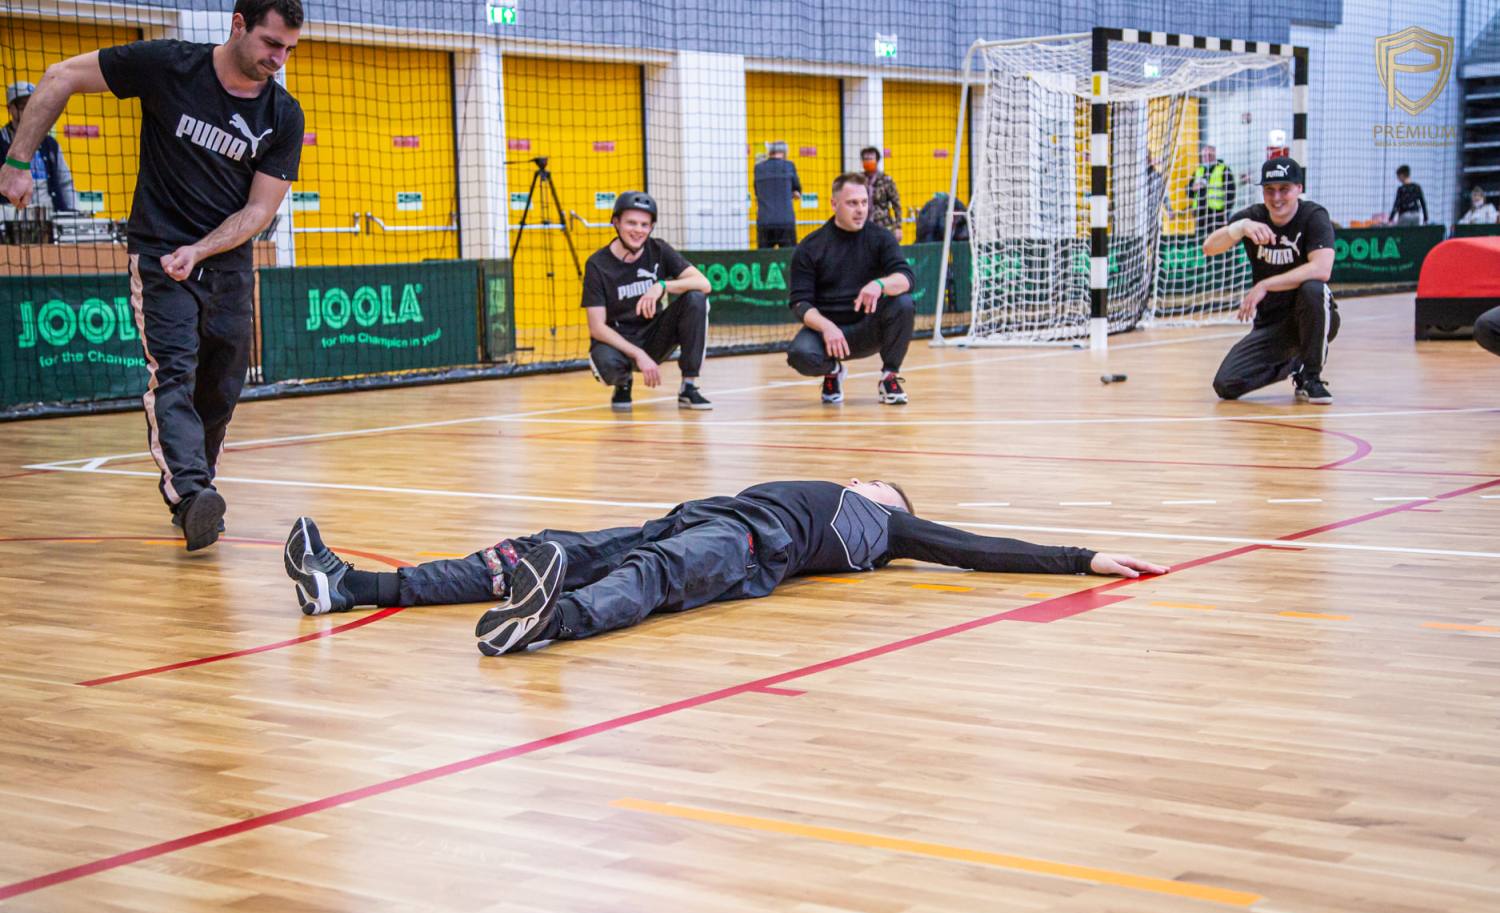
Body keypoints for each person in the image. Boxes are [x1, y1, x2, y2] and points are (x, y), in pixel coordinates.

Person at [0, 0, 305, 552]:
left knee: (221, 386)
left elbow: (259, 211)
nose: (278, 59)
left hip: (227, 264)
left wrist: (202, 249)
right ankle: (190, 495)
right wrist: (18, 161)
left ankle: (198, 486)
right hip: (160, 258)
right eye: (270, 43)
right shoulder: (170, 65)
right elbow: (61, 75)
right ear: (238, 25)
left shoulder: (283, 114)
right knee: (173, 372)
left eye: (288, 49)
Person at [282, 478, 1168, 656]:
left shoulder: (888, 527)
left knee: (655, 576)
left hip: (746, 548)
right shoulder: (828, 485)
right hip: (695, 513)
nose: (874, 477)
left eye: (884, 482)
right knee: (528, 550)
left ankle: (546, 621)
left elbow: (980, 550)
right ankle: (347, 585)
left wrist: (1081, 557)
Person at [1203, 156, 1338, 405]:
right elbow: (1209, 248)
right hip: (1272, 324)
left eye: (1284, 189)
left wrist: (1265, 285)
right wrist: (1240, 227)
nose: (1276, 198)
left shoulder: (1313, 216)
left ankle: (1312, 377)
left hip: (1313, 316)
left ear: (1299, 188)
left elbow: (1322, 269)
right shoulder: (1253, 217)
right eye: (1269, 190)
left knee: (1313, 289)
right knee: (1226, 384)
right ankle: (1296, 364)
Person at [786, 173, 915, 405]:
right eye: (852, 203)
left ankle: (889, 377)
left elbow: (906, 278)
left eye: (864, 202)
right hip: (828, 334)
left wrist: (879, 284)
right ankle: (833, 372)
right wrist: (826, 327)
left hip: (869, 329)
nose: (860, 210)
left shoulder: (881, 238)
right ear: (834, 204)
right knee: (799, 354)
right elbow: (800, 303)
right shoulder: (810, 247)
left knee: (904, 303)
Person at [582, 190, 714, 412]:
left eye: (644, 225)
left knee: (696, 298)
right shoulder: (597, 264)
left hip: (654, 335)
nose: (638, 230)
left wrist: (662, 286)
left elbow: (704, 283)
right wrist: (638, 355)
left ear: (651, 227)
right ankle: (623, 382)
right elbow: (596, 327)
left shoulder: (659, 249)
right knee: (606, 365)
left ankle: (688, 387)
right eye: (631, 223)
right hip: (618, 340)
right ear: (616, 222)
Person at [0, 81, 75, 212]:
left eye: (33, 105)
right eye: (23, 106)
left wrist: (73, 213)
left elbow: (65, 182)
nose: (29, 110)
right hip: (10, 216)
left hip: (50, 215)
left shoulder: (50, 144)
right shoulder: (1, 141)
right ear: (10, 108)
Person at [753, 140, 801, 249]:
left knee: (764, 257)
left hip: (764, 221)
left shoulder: (758, 168)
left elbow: (757, 192)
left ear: (769, 152)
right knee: (788, 255)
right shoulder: (789, 166)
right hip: (785, 220)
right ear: (784, 152)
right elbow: (797, 192)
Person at [1186, 144, 1236, 235]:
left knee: (1217, 239)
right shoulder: (1199, 171)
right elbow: (1188, 192)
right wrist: (1193, 188)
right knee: (1201, 239)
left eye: (1210, 155)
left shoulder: (1223, 169)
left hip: (1217, 215)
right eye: (1204, 156)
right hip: (1200, 214)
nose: (1207, 158)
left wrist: (1225, 213)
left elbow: (1231, 194)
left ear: (1215, 155)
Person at [859, 146, 902, 239]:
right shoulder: (858, 180)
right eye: (865, 159)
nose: (868, 161)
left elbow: (896, 204)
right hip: (862, 225)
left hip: (882, 225)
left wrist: (898, 226)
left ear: (877, 161)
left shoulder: (886, 180)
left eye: (871, 159)